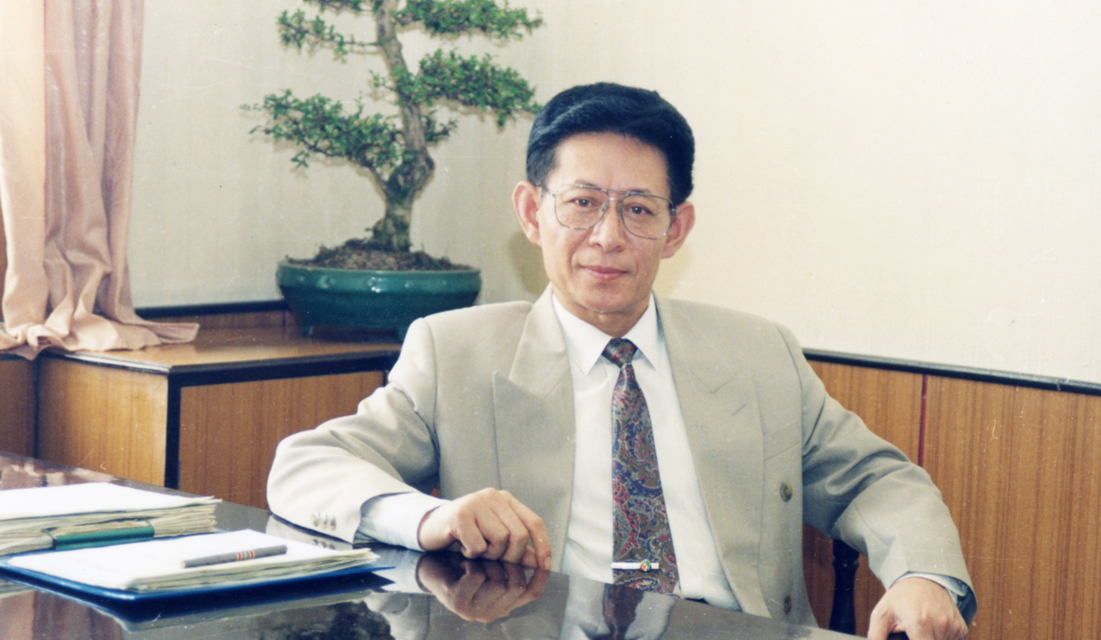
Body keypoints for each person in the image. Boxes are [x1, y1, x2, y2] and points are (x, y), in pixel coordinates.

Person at [267, 82, 975, 640]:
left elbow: (878, 479)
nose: (607, 237)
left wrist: (924, 574)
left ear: (676, 228)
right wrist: (431, 518)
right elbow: (305, 467)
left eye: (638, 209)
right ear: (532, 212)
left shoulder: (760, 354)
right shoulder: (455, 352)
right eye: (582, 203)